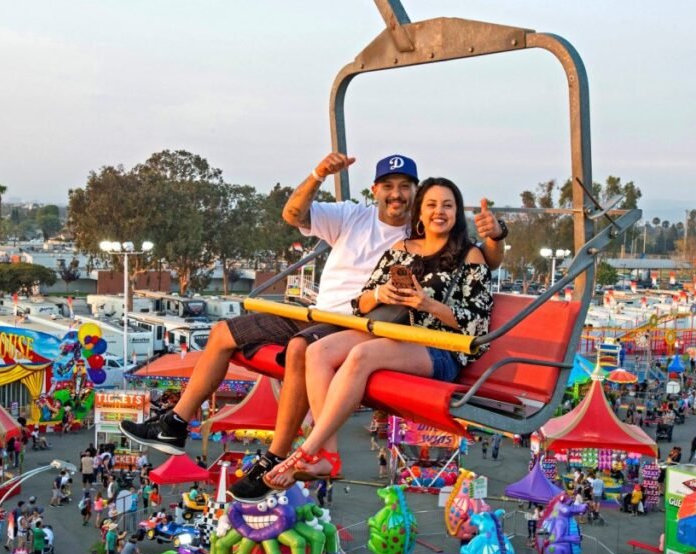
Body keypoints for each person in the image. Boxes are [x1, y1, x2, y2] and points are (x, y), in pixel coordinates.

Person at [120, 153, 506, 502]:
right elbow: (295, 217)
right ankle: (175, 423)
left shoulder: (431, 238)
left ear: (416, 198)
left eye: (406, 188)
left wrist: (496, 234)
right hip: (320, 313)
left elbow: (484, 263)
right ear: (376, 191)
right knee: (223, 333)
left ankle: (281, 454)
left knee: (305, 350)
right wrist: (319, 173)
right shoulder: (380, 234)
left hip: (362, 329)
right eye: (389, 187)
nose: (397, 195)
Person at [264, 177, 493, 487]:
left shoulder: (470, 257)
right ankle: (327, 457)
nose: (439, 212)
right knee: (318, 350)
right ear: (420, 213)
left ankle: (307, 449)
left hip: (439, 349)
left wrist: (429, 305)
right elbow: (361, 303)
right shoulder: (401, 250)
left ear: (456, 214)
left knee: (361, 355)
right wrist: (381, 295)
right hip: (394, 335)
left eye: (447, 205)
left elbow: (479, 325)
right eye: (432, 205)